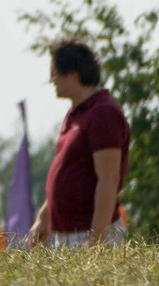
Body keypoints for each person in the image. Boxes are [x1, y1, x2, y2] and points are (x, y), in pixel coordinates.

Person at [30, 38, 129, 247]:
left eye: (55, 73)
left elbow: (108, 179)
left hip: (90, 235)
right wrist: (44, 217)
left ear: (72, 74)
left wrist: (96, 238)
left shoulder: (103, 113)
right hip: (67, 235)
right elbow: (68, 170)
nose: (52, 80)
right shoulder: (75, 114)